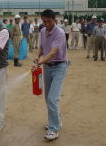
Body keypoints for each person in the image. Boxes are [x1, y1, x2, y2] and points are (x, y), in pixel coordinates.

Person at [32, 9, 68, 141]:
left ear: (55, 20)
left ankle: (54, 129)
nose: (46, 24)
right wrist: (37, 58)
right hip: (47, 67)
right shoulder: (42, 30)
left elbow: (53, 52)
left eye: (49, 21)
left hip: (59, 66)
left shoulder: (60, 33)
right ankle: (56, 121)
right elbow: (42, 47)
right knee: (48, 98)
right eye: (44, 21)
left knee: (53, 99)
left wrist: (39, 63)